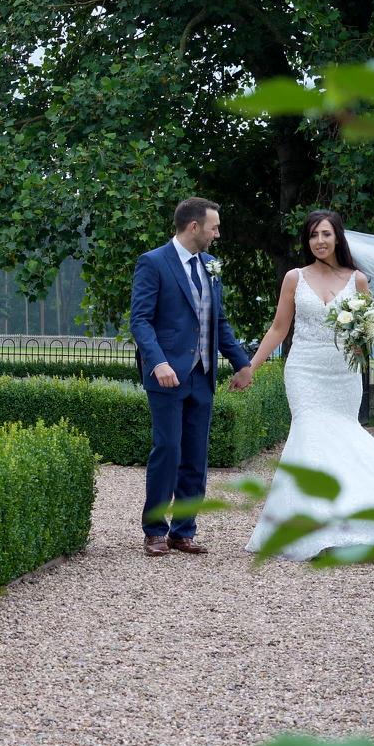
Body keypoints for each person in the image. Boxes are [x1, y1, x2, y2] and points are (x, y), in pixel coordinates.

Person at [240, 210, 374, 561]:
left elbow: (367, 330)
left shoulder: (357, 280)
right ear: (307, 241)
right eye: (313, 235)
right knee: (309, 433)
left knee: (346, 436)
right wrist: (250, 366)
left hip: (343, 372)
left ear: (338, 238)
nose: (320, 241)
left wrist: (362, 337)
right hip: (305, 369)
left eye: (326, 234)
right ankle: (314, 529)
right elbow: (279, 328)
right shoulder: (294, 278)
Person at [129, 197, 255, 557]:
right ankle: (154, 530)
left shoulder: (212, 265)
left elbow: (219, 321)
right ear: (194, 226)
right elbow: (140, 320)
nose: (218, 234)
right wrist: (158, 362)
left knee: (196, 456)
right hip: (167, 375)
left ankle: (183, 531)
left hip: (202, 374)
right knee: (167, 450)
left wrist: (240, 362)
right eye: (214, 227)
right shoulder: (152, 263)